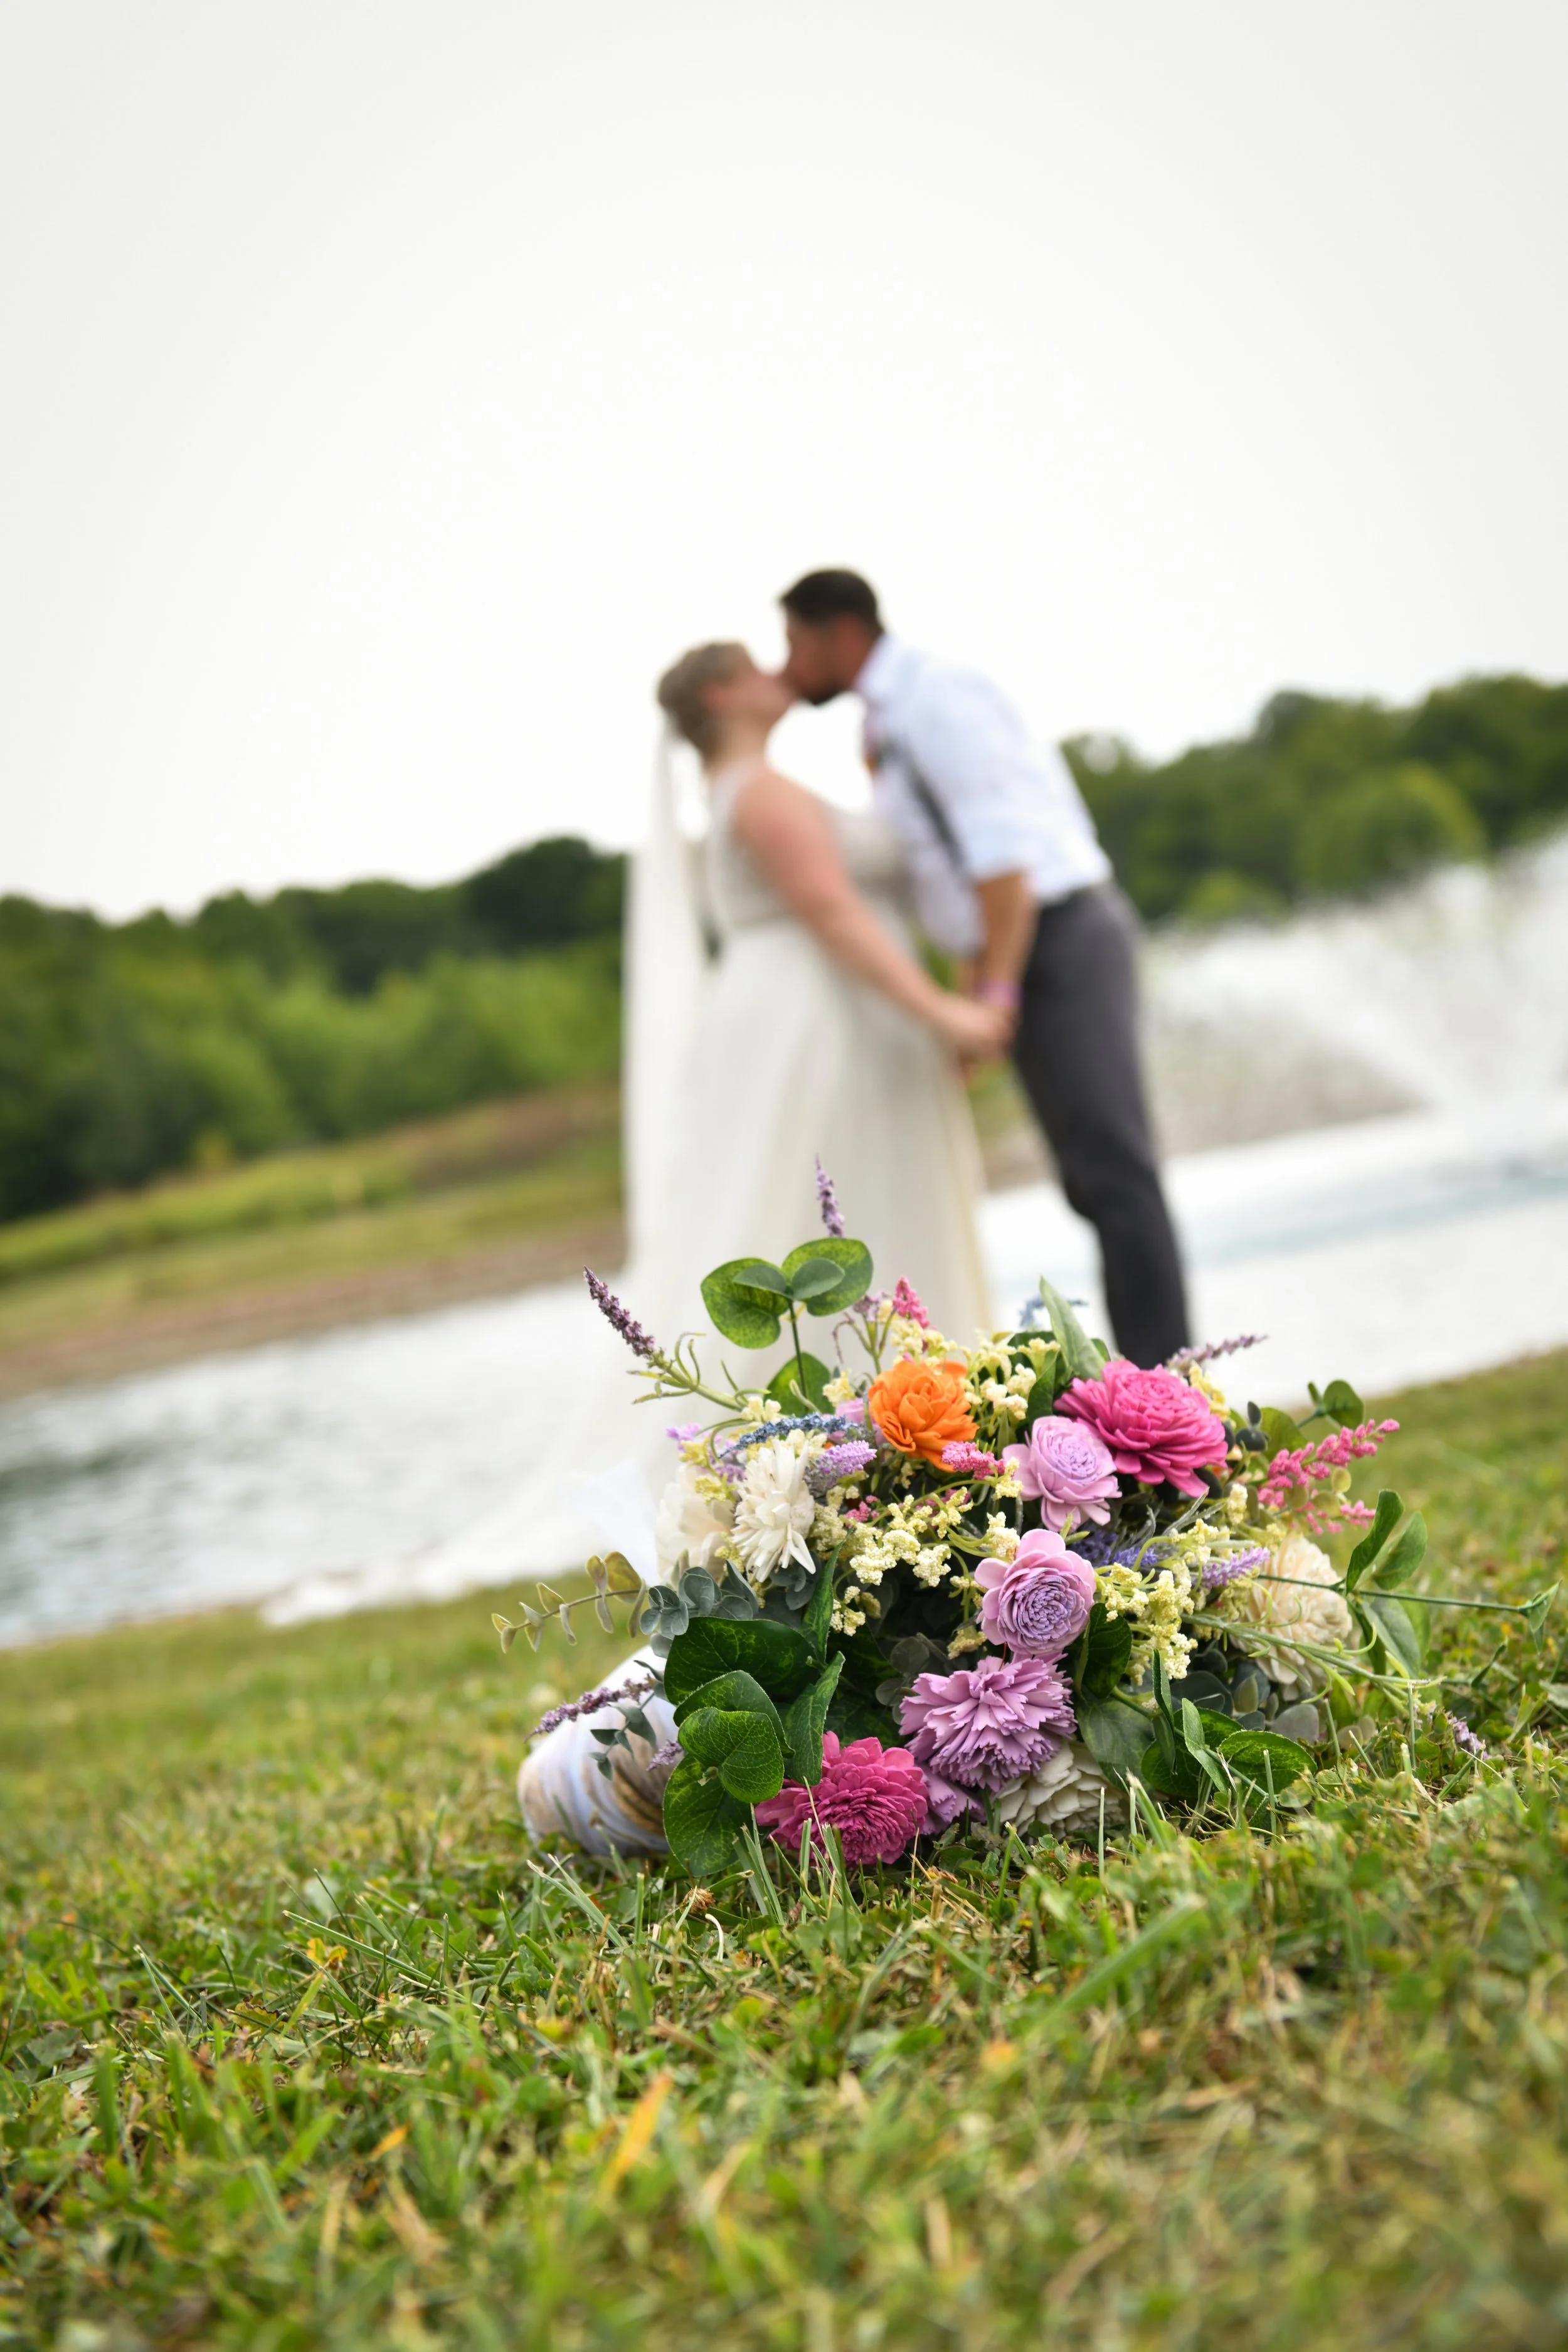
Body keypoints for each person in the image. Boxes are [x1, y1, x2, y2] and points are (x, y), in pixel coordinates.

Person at [517, 638, 1005, 1851]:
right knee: (845, 1237)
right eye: (753, 659)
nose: (777, 667)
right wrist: (951, 1006)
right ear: (724, 697)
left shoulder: (748, 795)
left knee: (825, 1238)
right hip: (822, 1031)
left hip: (804, 1027)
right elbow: (836, 911)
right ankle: (871, 1431)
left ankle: (882, 1429)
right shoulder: (769, 793)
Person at [778, 569, 1189, 1367]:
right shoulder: (887, 718)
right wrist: (979, 994)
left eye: (795, 643)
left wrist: (995, 991)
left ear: (839, 631)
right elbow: (960, 877)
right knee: (1089, 1179)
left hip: (1059, 938)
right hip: (1018, 949)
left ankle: (1173, 1391)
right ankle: (1151, 1387)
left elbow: (1005, 858)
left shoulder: (935, 697)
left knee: (1116, 1171)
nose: (789, 667)